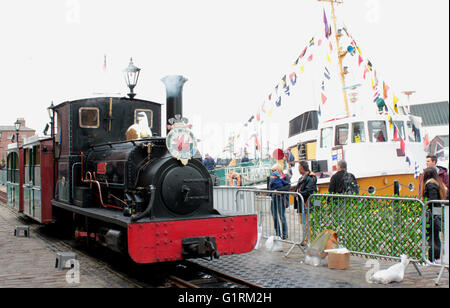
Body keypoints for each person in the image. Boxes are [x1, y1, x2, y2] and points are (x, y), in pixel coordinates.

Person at [421, 167, 447, 262]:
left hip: (432, 214)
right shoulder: (437, 183)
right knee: (435, 236)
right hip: (437, 212)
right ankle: (436, 258)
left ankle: (432, 258)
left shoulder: (430, 185)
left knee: (431, 237)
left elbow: (432, 200)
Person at [294, 161, 317, 244]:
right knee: (302, 222)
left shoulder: (311, 177)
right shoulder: (302, 177)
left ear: (302, 168)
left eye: (298, 168)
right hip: (301, 203)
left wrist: (298, 194)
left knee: (307, 223)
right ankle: (305, 238)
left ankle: (308, 240)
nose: (298, 170)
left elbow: (309, 190)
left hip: (307, 203)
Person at [269, 171, 290, 240]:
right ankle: (278, 234)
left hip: (281, 198)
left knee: (282, 216)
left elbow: (288, 187)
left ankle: (285, 234)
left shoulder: (285, 177)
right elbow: (269, 188)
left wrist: (278, 190)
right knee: (275, 216)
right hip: (273, 198)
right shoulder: (271, 179)